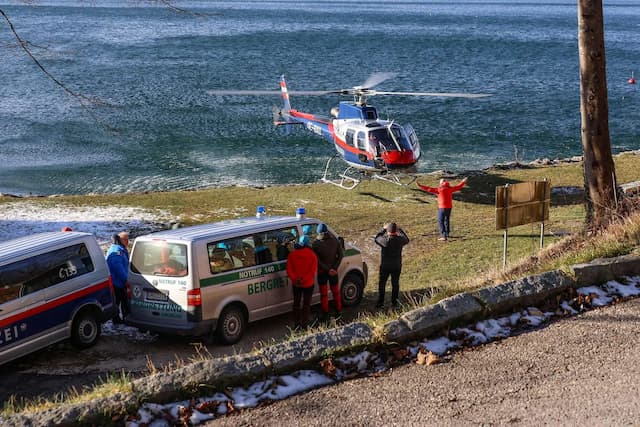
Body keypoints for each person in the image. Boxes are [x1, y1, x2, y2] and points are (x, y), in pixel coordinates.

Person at [312, 223, 344, 322]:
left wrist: (327, 269)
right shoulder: (335, 241)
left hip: (322, 272)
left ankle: (325, 314)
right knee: (336, 292)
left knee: (324, 294)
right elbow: (341, 255)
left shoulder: (316, 244)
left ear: (319, 233)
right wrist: (334, 268)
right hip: (334, 272)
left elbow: (317, 260)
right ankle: (338, 311)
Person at [374, 222, 409, 308]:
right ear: (396, 231)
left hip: (385, 266)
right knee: (395, 283)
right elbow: (407, 239)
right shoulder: (400, 240)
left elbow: (376, 238)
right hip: (396, 265)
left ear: (388, 231)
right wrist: (400, 229)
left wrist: (383, 229)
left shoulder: (384, 241)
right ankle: (394, 302)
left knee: (382, 284)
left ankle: (380, 302)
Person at [286, 235, 318, 329]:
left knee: (296, 304)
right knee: (306, 304)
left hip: (296, 284)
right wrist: (304, 279)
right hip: (308, 284)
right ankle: (305, 324)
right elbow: (312, 271)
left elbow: (289, 269)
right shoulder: (312, 255)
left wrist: (296, 279)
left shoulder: (292, 255)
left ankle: (296, 324)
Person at [106, 231, 130, 323]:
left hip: (118, 281)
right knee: (120, 300)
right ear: (121, 240)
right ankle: (120, 318)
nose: (128, 242)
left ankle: (120, 318)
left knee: (120, 300)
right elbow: (118, 268)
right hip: (117, 282)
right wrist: (126, 279)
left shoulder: (120, 249)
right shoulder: (117, 252)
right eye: (126, 240)